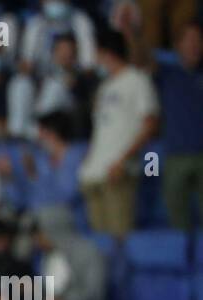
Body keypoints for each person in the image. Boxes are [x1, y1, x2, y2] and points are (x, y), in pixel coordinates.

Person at [78, 31, 158, 239]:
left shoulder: (137, 80)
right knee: (100, 245)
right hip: (94, 173)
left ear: (107, 53)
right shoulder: (104, 87)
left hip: (118, 172)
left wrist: (122, 161)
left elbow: (150, 126)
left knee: (120, 241)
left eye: (97, 54)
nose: (95, 61)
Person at [155, 22, 203, 230]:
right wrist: (133, 32)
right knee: (177, 223)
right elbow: (140, 58)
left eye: (198, 40)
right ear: (177, 46)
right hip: (174, 157)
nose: (195, 45)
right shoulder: (166, 74)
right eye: (189, 40)